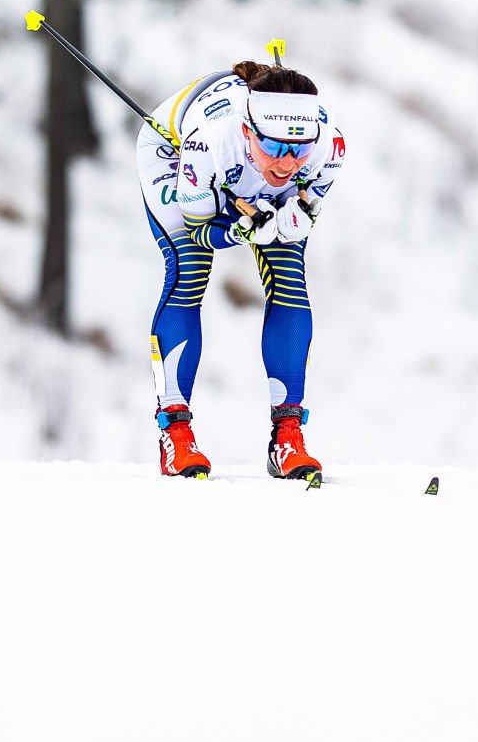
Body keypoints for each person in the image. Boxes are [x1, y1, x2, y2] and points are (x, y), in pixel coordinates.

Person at [134, 59, 347, 480]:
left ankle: (288, 436)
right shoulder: (211, 143)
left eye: (299, 149)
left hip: (241, 174)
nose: (287, 163)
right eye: (275, 148)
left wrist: (298, 218)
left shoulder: (329, 145)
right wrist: (240, 231)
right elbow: (199, 232)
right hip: (174, 155)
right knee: (189, 271)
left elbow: (304, 200)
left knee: (290, 280)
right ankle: (174, 433)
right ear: (249, 131)